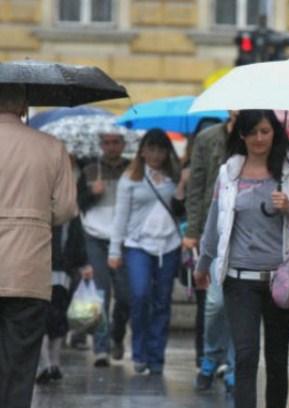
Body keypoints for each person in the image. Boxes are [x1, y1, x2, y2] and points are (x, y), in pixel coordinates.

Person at [194, 109, 289, 408]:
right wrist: (203, 264)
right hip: (239, 280)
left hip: (280, 280)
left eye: (266, 131)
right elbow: (215, 222)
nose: (260, 138)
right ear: (242, 136)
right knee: (245, 355)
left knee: (277, 361)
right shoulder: (228, 172)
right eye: (253, 133)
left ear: (275, 133)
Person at [0, 84, 78, 408]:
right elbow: (65, 209)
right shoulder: (50, 147)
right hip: (27, 268)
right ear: (24, 105)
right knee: (19, 364)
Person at [108, 129, 186, 375]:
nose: (155, 154)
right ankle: (139, 352)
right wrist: (114, 250)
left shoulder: (174, 175)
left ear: (167, 152)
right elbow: (120, 217)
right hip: (137, 244)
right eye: (150, 149)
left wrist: (181, 185)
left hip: (170, 245)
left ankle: (156, 358)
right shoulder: (129, 178)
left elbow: (181, 209)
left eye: (160, 149)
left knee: (162, 302)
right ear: (142, 151)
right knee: (140, 296)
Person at [185, 113, 237, 391]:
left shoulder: (260, 137)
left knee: (240, 306)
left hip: (247, 233)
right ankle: (210, 356)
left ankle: (233, 364)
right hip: (214, 227)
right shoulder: (208, 139)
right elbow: (196, 186)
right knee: (216, 303)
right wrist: (193, 230)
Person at [78, 130, 131, 364]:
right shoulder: (89, 170)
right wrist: (91, 192)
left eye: (115, 142)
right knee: (100, 294)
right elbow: (77, 202)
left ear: (123, 144)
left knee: (125, 296)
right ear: (101, 144)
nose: (111, 147)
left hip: (125, 238)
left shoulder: (132, 169)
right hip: (95, 236)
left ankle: (117, 336)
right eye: (107, 143)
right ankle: (100, 347)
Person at [37, 213, 92, 383]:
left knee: (51, 316)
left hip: (58, 269)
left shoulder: (69, 213)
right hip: (50, 268)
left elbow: (76, 236)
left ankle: (49, 363)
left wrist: (83, 263)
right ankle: (49, 362)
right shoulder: (67, 208)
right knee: (50, 316)